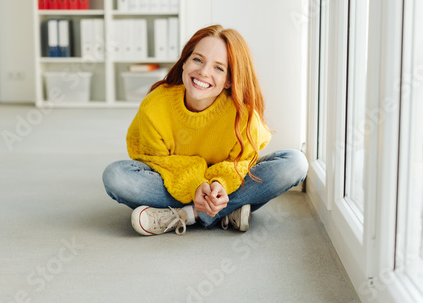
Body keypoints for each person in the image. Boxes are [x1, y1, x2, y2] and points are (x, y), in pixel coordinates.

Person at [102, 24, 308, 236]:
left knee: (294, 163)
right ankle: (226, 213)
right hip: (177, 181)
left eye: (219, 68)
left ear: (229, 80)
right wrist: (195, 185)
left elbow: (245, 160)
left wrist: (220, 184)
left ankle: (186, 216)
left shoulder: (242, 115)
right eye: (198, 59)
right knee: (116, 176)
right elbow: (155, 161)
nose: (203, 72)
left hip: (224, 187)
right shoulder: (155, 106)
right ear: (184, 62)